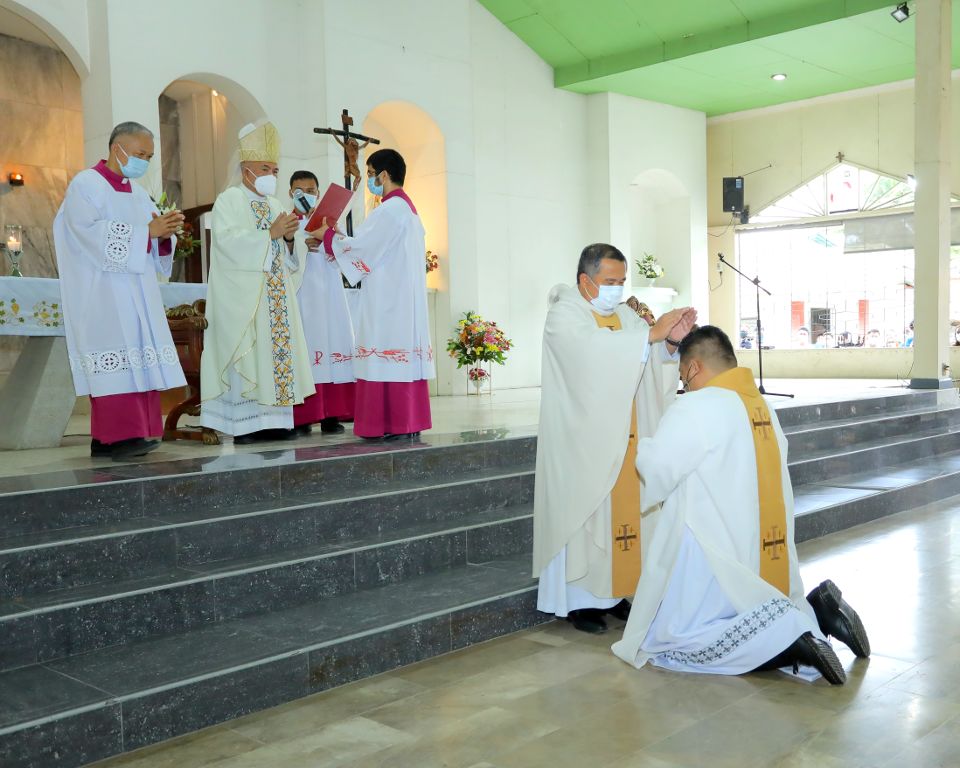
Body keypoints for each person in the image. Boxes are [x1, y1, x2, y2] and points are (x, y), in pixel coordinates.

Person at [612, 326, 870, 684]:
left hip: (714, 551)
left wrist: (643, 448)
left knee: (670, 643)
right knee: (758, 601)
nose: (684, 382)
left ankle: (788, 641)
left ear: (694, 367)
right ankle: (818, 610)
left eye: (682, 373)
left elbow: (658, 470)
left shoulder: (695, 406)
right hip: (757, 545)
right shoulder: (760, 404)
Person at [533, 243, 696, 634]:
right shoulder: (565, 314)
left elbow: (652, 365)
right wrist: (649, 337)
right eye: (610, 282)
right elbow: (589, 359)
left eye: (622, 282)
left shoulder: (625, 315)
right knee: (589, 514)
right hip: (582, 444)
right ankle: (580, 601)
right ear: (585, 280)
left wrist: (669, 342)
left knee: (625, 520)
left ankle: (619, 592)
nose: (617, 290)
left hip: (627, 436)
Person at [53, 121, 186, 461]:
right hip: (103, 294)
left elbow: (152, 240)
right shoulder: (86, 184)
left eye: (149, 156)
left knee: (138, 358)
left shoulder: (139, 193)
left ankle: (134, 433)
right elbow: (85, 232)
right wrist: (146, 232)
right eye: (140, 154)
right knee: (115, 361)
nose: (144, 161)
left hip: (137, 292)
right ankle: (114, 437)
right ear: (118, 149)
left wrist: (165, 234)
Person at [200, 122, 313, 444]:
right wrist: (271, 235)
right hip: (245, 298)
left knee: (275, 354)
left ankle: (277, 421)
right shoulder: (229, 200)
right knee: (250, 354)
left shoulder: (276, 205)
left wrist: (290, 239)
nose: (271, 175)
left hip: (275, 296)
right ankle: (247, 424)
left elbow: (288, 258)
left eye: (275, 169)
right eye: (265, 168)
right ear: (245, 168)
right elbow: (226, 243)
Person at [310, 149, 433, 440]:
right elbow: (369, 248)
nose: (369, 180)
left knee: (384, 353)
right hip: (403, 301)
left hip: (388, 303)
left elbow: (363, 251)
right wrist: (339, 237)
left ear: (384, 175)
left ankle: (389, 424)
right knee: (399, 359)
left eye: (369, 174)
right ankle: (406, 423)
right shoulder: (409, 212)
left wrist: (327, 236)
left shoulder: (389, 210)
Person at [287, 170, 356, 435]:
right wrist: (304, 244)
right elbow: (283, 256)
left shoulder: (329, 220)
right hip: (303, 294)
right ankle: (305, 415)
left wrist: (332, 237)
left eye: (312, 189)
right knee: (308, 347)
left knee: (334, 343)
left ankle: (331, 414)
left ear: (319, 192)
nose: (306, 194)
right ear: (291, 193)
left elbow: (344, 253)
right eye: (299, 190)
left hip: (331, 294)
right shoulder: (286, 221)